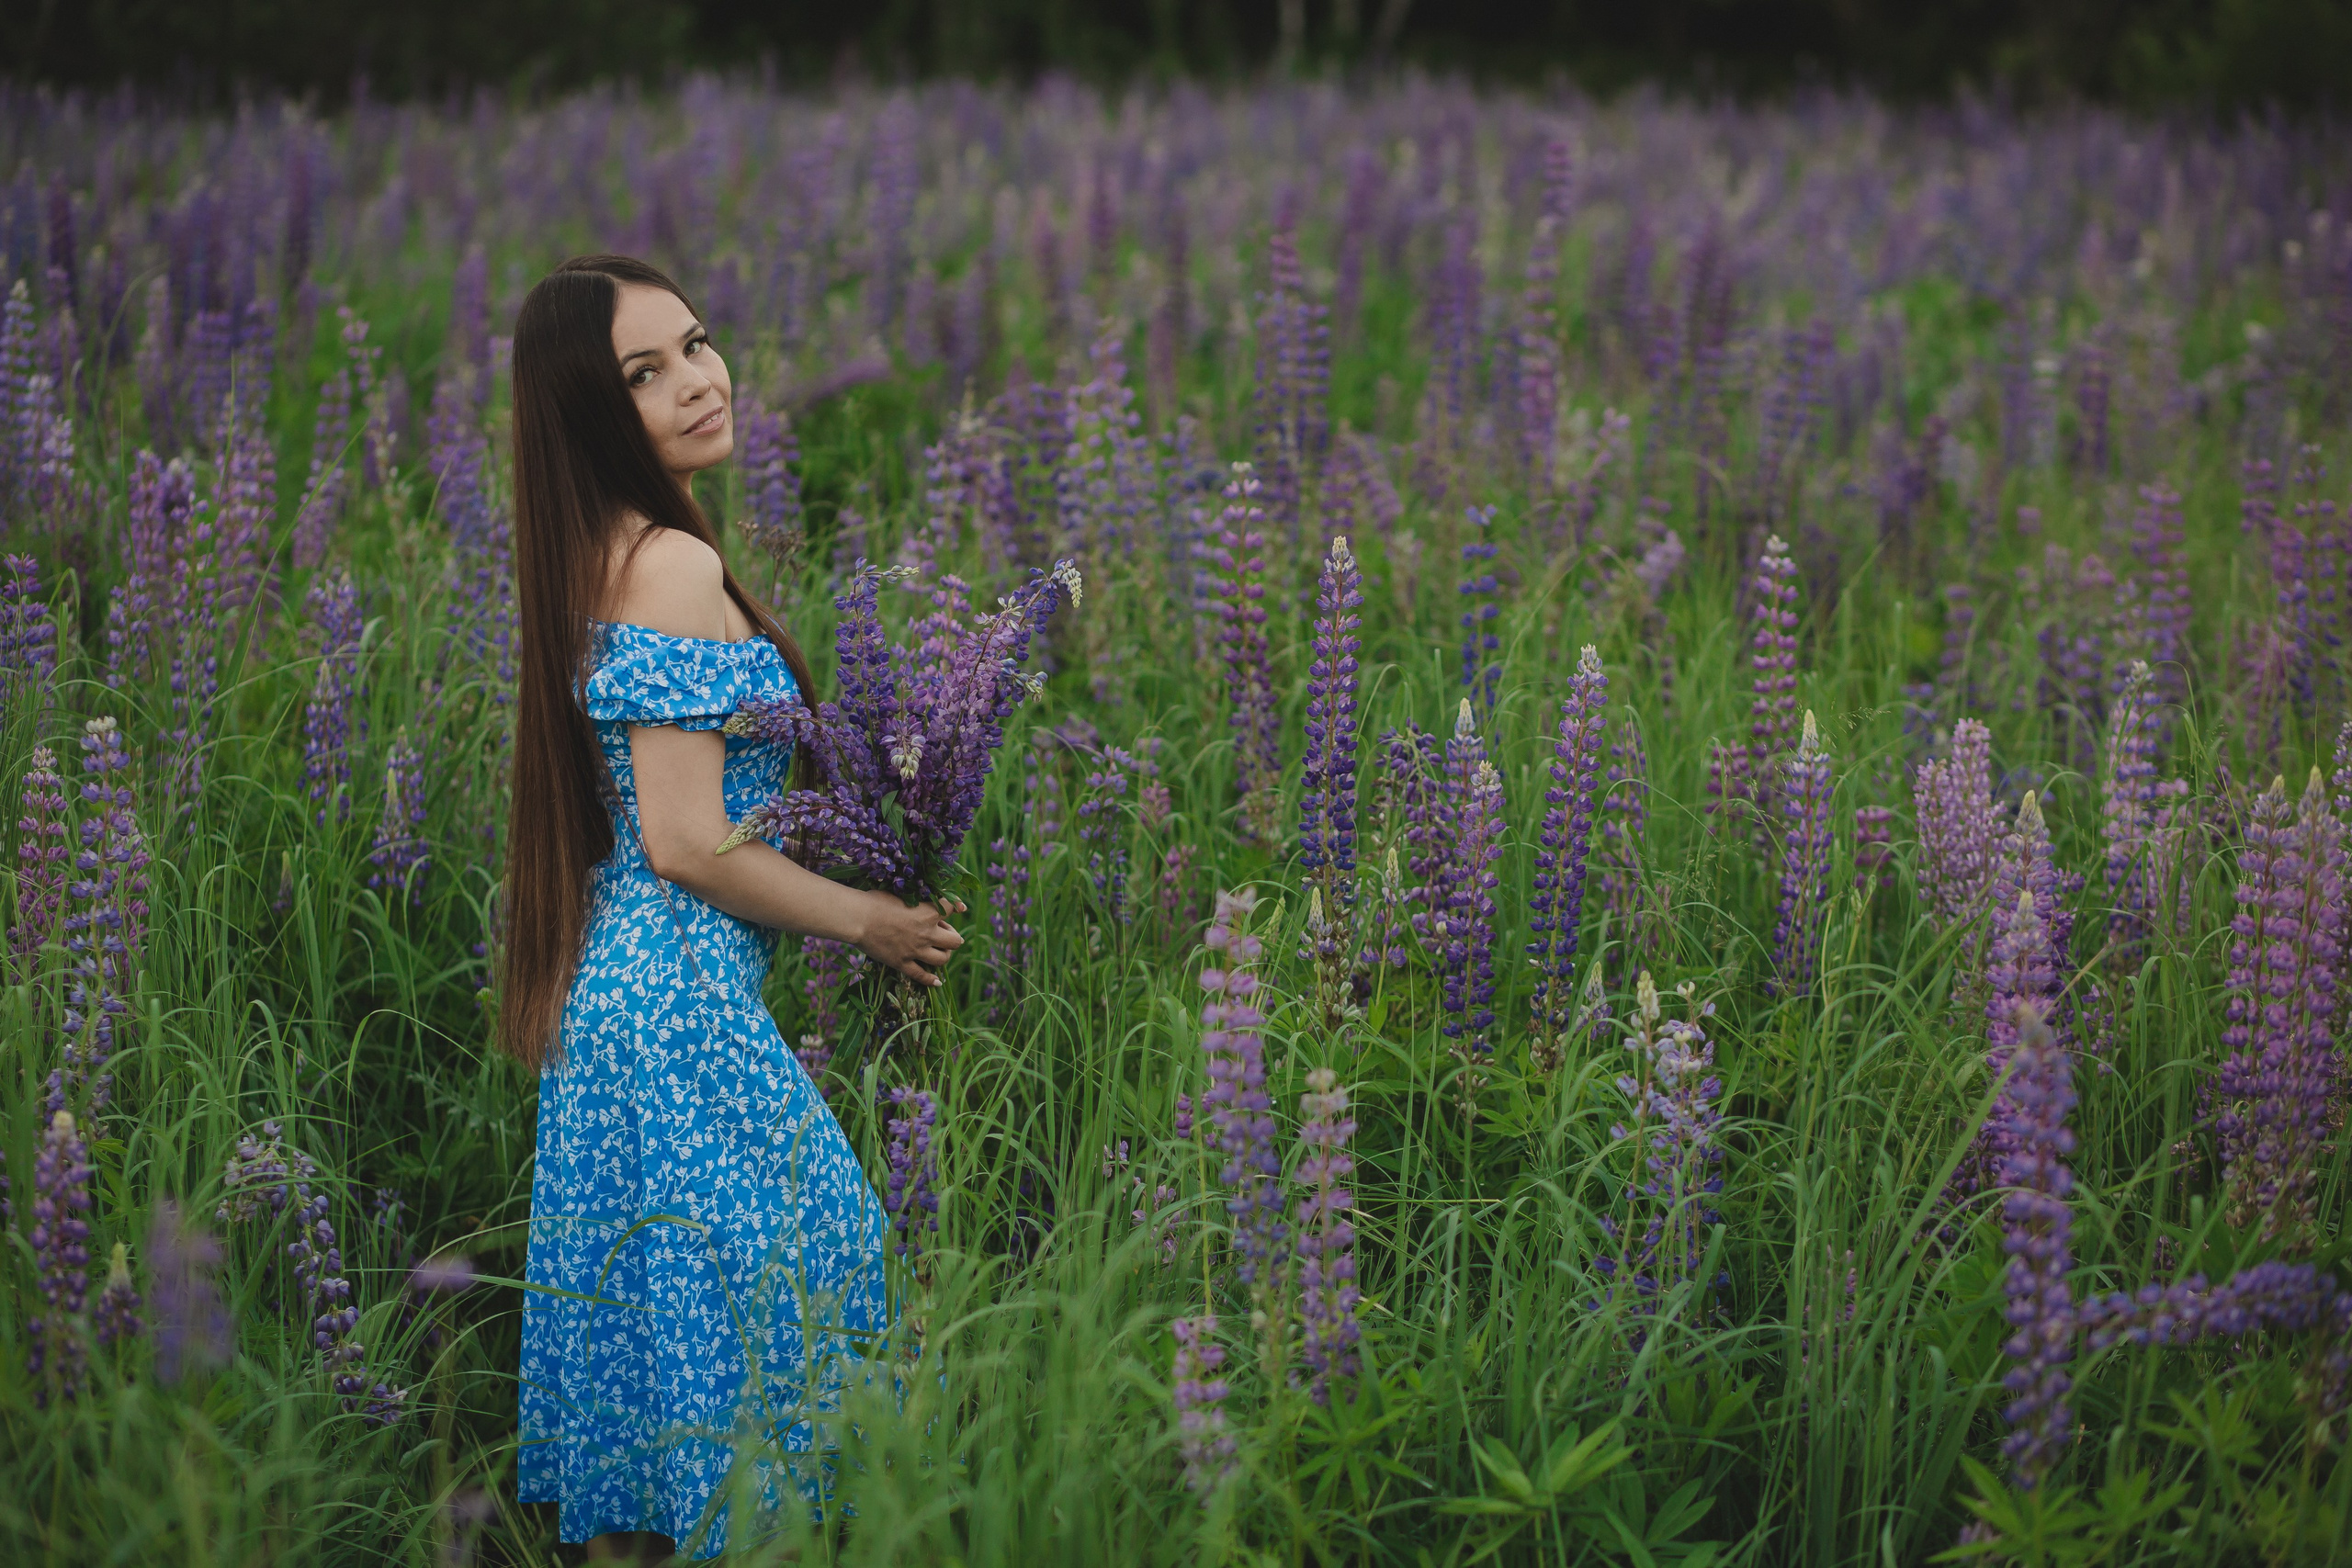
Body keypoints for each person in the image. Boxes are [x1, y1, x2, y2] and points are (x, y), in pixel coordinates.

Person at [503, 254, 961, 1563]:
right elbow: (686, 840)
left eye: (696, 344)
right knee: (811, 1311)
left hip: (618, 998)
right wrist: (871, 919)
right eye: (643, 374)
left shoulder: (595, 552)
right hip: (677, 998)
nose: (697, 381)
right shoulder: (669, 566)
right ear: (592, 414)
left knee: (667, 1366)